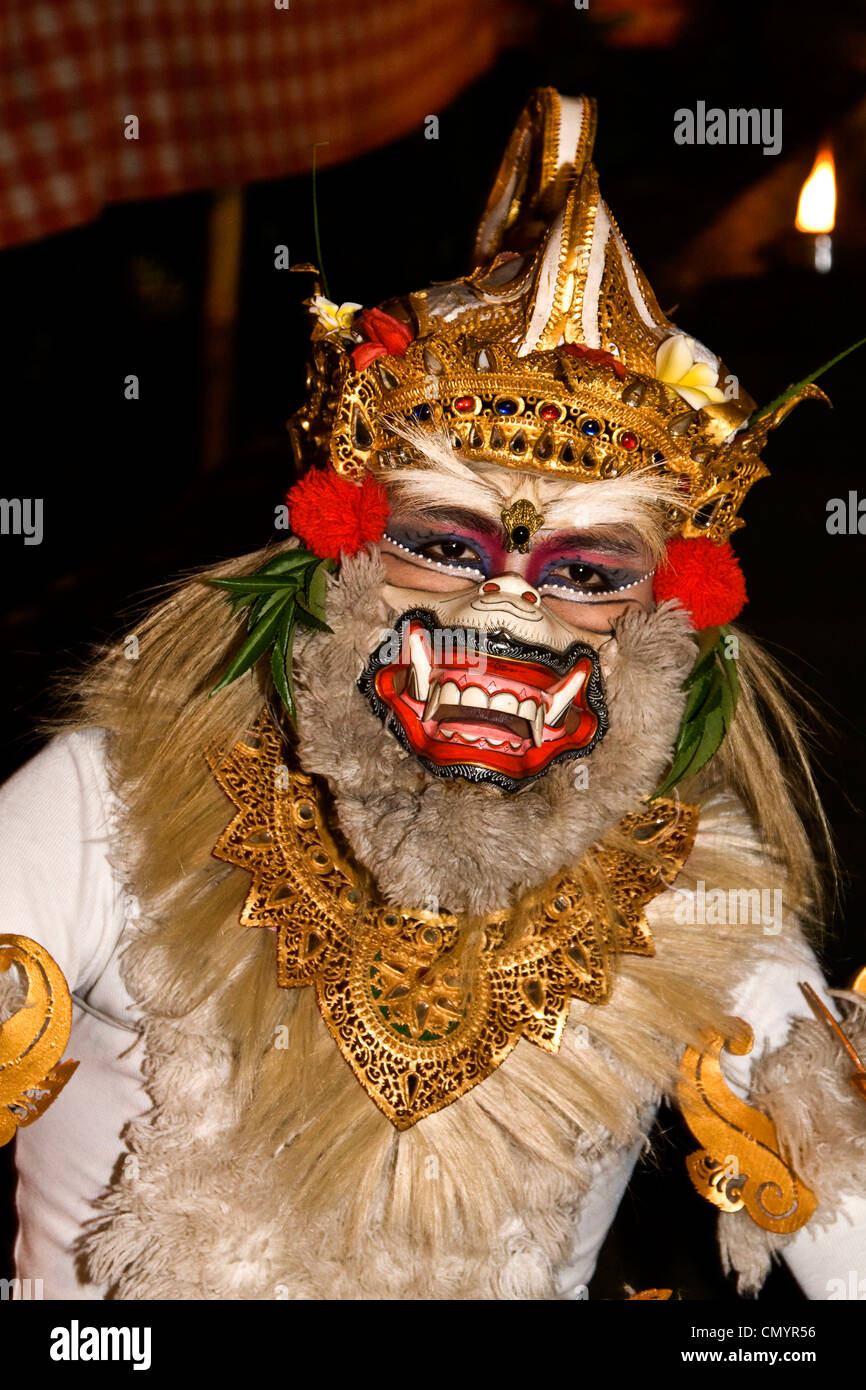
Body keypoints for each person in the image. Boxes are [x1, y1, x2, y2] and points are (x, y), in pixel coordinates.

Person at [2, 88, 864, 1301]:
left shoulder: (695, 897)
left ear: (662, 612)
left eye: (581, 573)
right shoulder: (118, 802)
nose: (505, 609)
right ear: (341, 547)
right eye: (448, 548)